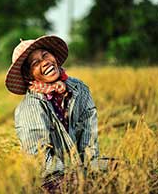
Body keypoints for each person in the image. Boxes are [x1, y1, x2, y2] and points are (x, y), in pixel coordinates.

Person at [5, 35, 99, 192]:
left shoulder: (78, 89)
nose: (45, 62)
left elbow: (89, 136)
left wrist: (91, 170)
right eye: (35, 63)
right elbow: (39, 158)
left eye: (45, 55)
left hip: (77, 168)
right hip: (48, 176)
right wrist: (75, 177)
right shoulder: (30, 107)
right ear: (29, 75)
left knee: (123, 170)